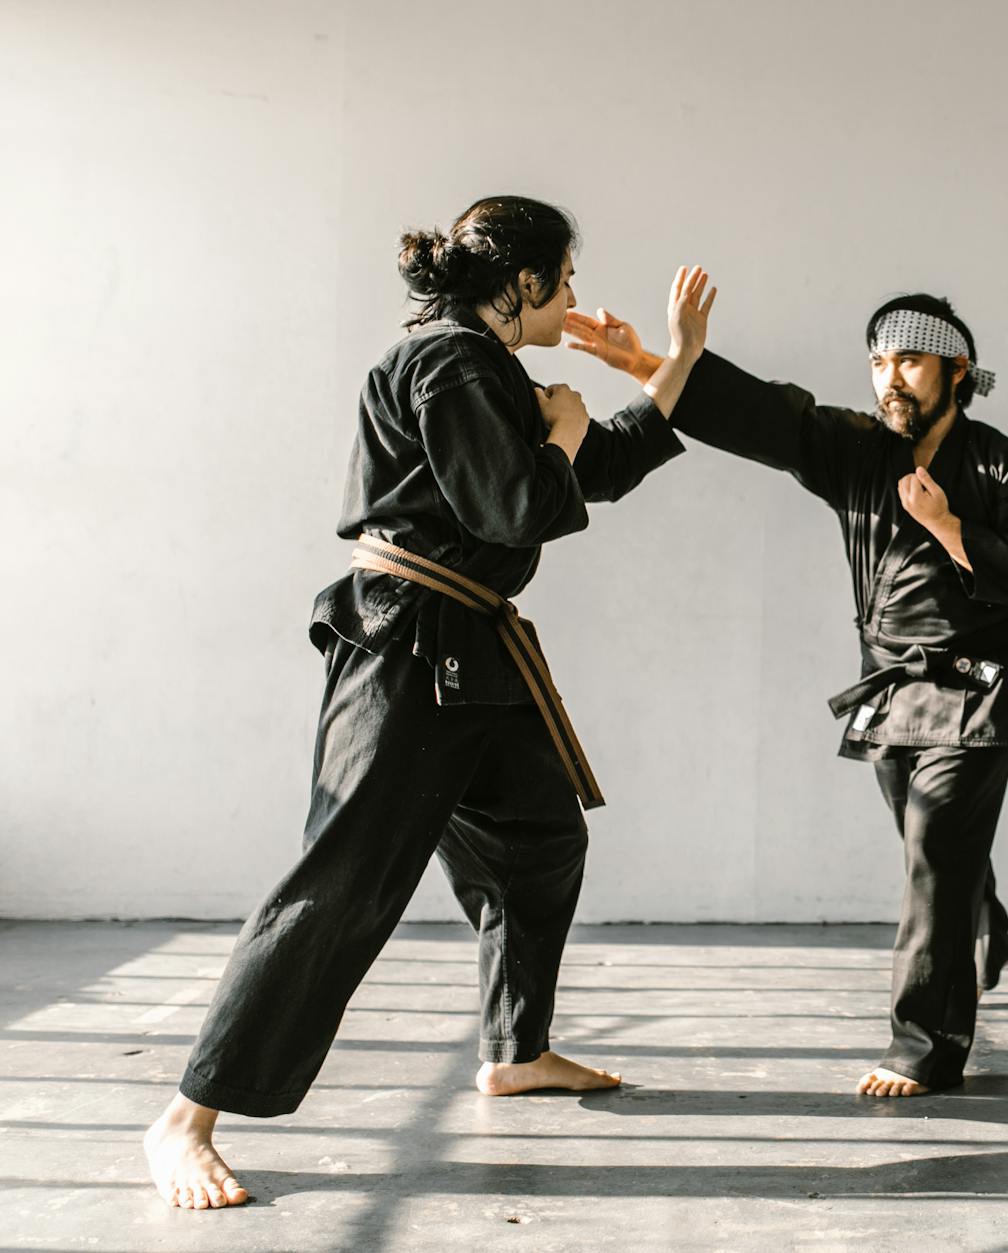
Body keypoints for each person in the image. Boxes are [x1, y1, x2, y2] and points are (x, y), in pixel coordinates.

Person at [143, 195, 716, 1209]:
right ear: (523, 281)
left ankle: (514, 1050)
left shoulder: (485, 368)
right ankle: (185, 1116)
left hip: (473, 651)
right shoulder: (449, 361)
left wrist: (677, 358)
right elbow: (522, 504)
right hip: (407, 644)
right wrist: (566, 429)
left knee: (537, 838)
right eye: (565, 277)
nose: (574, 296)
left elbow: (602, 469)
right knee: (343, 876)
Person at [565, 289, 1008, 1097]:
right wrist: (652, 364)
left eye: (907, 360)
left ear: (957, 368)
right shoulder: (859, 449)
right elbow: (769, 420)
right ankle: (988, 922)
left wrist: (948, 528)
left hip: (979, 690)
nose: (889, 379)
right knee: (931, 845)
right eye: (877, 362)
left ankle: (923, 1051)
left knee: (935, 846)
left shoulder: (1007, 464)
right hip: (888, 684)